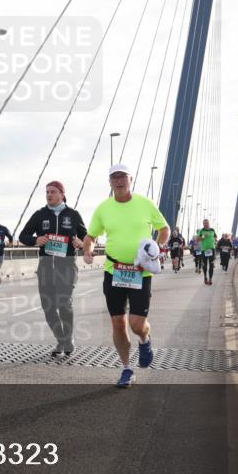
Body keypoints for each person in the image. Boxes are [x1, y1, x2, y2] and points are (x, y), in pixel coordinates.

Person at [83, 165, 169, 388]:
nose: (118, 181)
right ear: (109, 182)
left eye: (122, 176)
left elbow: (164, 229)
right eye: (114, 177)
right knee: (118, 324)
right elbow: (90, 235)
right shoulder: (103, 208)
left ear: (131, 179)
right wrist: (88, 249)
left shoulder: (145, 204)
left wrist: (155, 248)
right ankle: (126, 369)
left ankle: (144, 339)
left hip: (141, 271)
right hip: (114, 271)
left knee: (137, 324)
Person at [20, 180, 86, 357]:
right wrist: (35, 240)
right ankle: (62, 340)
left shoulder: (73, 214)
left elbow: (86, 238)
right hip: (46, 267)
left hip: (67, 266)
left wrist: (81, 243)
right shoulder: (40, 215)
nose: (49, 194)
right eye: (47, 192)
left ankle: (68, 338)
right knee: (48, 307)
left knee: (65, 304)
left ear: (62, 194)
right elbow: (23, 235)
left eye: (53, 191)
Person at [197, 219, 218, 285]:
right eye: (204, 223)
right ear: (203, 224)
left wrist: (214, 241)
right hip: (204, 250)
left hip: (212, 249)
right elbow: (197, 239)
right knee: (205, 265)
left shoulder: (212, 230)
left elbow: (215, 237)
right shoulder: (201, 231)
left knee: (211, 264)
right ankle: (205, 276)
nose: (206, 224)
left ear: (209, 223)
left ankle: (210, 279)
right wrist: (203, 236)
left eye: (207, 223)